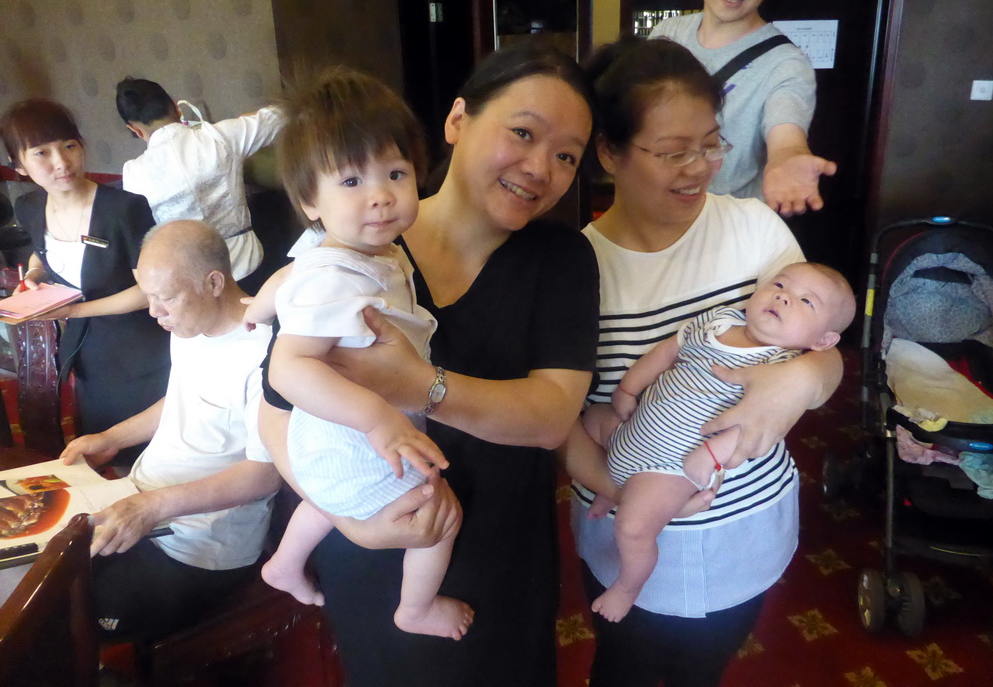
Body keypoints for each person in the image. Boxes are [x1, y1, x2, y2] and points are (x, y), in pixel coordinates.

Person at [258, 40, 600, 686]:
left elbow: (551, 417)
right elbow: (275, 402)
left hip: (499, 550)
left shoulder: (560, 259)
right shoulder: (348, 241)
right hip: (370, 538)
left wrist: (421, 385)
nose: (539, 167)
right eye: (523, 133)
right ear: (457, 121)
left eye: (565, 156)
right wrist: (350, 520)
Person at [568, 36, 843, 687]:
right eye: (671, 152)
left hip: (741, 534)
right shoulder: (575, 266)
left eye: (710, 144)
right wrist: (622, 488)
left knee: (704, 672)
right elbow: (556, 417)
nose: (699, 167)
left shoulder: (754, 228)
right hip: (622, 525)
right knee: (622, 670)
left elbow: (824, 361)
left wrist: (800, 378)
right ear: (608, 152)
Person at [244, 67, 473, 640]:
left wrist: (257, 307)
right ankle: (414, 608)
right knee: (441, 517)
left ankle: (284, 563)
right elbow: (289, 368)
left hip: (325, 442)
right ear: (308, 201)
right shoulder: (338, 277)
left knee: (326, 497)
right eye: (351, 182)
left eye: (396, 173)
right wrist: (379, 420)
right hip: (351, 438)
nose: (380, 196)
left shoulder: (339, 250)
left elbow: (287, 276)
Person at [572, 262, 855, 623]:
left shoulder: (780, 364)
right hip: (633, 428)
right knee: (592, 418)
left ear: (822, 341)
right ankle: (611, 485)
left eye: (805, 301)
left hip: (671, 464)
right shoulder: (721, 320)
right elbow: (668, 351)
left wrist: (709, 456)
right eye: (780, 284)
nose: (784, 296)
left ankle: (627, 586)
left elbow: (750, 427)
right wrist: (629, 387)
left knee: (633, 527)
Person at [58, 220, 280, 643]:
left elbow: (266, 472)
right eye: (149, 297)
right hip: (139, 503)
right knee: (33, 572)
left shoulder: (266, 353)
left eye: (166, 298)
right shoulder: (190, 325)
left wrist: (152, 508)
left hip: (198, 548)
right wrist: (111, 439)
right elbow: (183, 399)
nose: (154, 312)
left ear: (214, 282)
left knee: (65, 625)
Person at [0, 99, 170, 461]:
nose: (61, 162)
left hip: (141, 352)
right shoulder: (29, 207)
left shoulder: (123, 209)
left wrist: (71, 312)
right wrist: (33, 275)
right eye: (42, 153)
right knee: (104, 451)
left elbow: (149, 291)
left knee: (154, 455)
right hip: (87, 355)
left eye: (69, 146)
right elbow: (41, 251)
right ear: (19, 165)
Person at [649, 0, 837, 215]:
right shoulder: (666, 33)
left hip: (728, 233)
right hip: (654, 213)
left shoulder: (786, 64)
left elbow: (786, 133)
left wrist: (788, 158)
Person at [117, 76, 283, 282]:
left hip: (189, 279)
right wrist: (246, 118)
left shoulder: (133, 173)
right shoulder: (220, 136)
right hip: (247, 266)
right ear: (177, 109)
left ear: (134, 129)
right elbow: (279, 117)